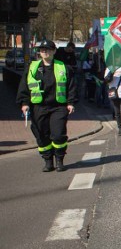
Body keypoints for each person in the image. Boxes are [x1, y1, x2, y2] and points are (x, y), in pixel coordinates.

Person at [16, 39, 78, 172]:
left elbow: (71, 86)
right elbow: (24, 87)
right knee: (42, 135)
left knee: (58, 134)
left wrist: (70, 102)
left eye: (48, 49)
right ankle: (48, 161)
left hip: (58, 107)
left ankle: (60, 159)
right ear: (39, 52)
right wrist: (24, 103)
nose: (45, 52)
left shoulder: (63, 67)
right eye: (42, 50)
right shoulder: (32, 68)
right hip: (39, 107)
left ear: (54, 51)